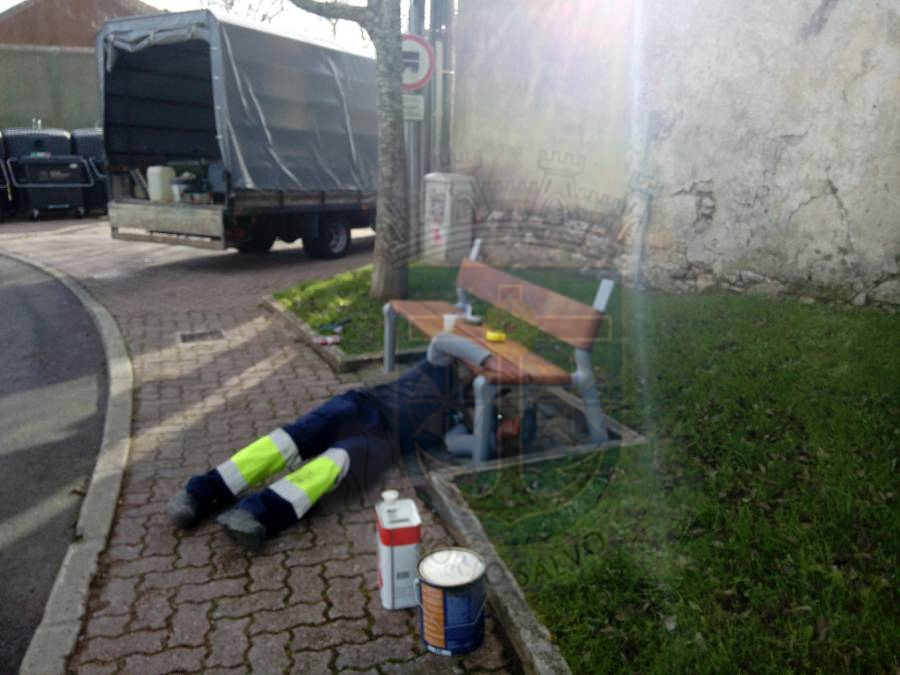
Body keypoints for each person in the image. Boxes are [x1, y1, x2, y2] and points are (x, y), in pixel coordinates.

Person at [167, 332, 523, 551]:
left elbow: (463, 447)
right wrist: (490, 358)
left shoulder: (454, 422)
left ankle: (253, 513)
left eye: (487, 390)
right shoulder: (440, 366)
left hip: (379, 440)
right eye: (481, 377)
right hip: (359, 404)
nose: (478, 387)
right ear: (470, 369)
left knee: (334, 464)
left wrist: (495, 438)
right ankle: (200, 492)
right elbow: (444, 339)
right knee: (288, 440)